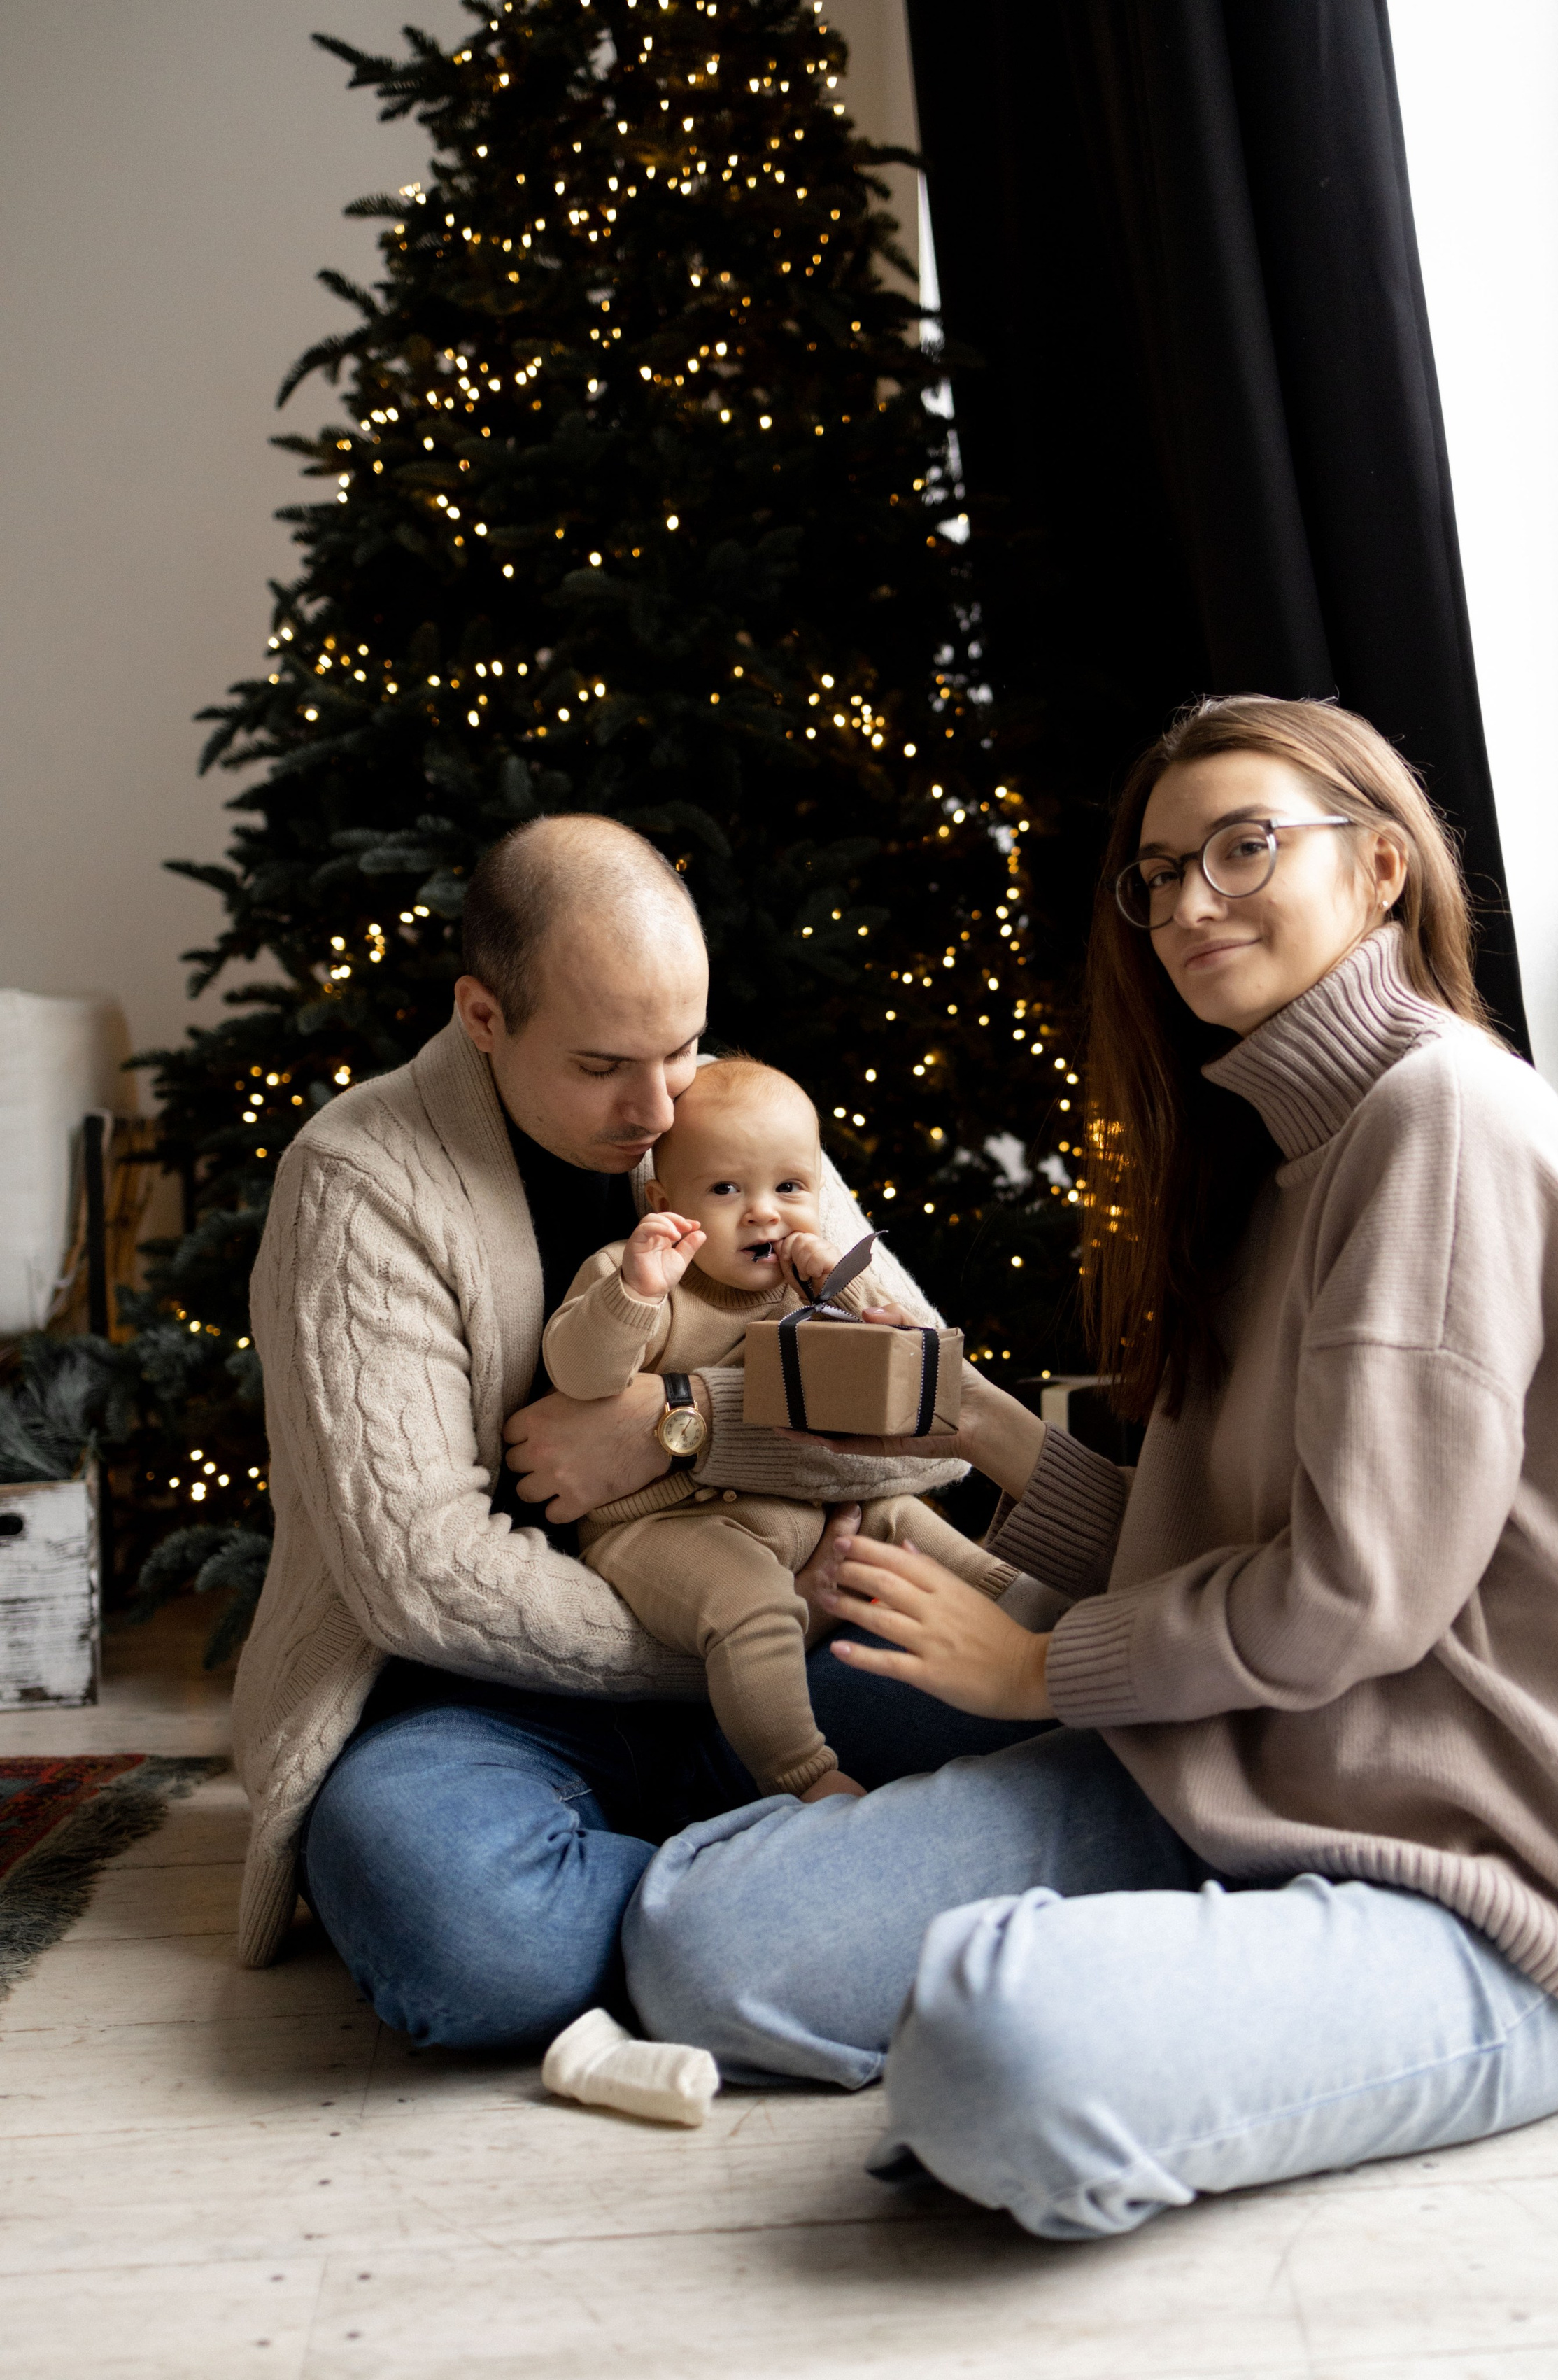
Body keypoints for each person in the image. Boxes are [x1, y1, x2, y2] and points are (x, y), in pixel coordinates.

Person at [621, 695, 1558, 2241]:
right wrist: (980, 1427)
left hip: (1484, 1879)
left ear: (1378, 871)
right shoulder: (1276, 1147)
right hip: (1232, 1766)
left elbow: (1349, 1594)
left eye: (1243, 845)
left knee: (991, 2047)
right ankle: (1172, 1978)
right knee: (706, 1938)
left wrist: (1034, 1670)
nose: (1186, 901)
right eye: (1156, 872)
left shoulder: (1440, 1116)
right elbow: (1213, 1532)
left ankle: (1154, 2004)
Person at [233, 814, 1049, 2043]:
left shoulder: (730, 1125)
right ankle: (805, 1892)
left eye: (683, 1048)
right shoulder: (361, 1182)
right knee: (462, 1931)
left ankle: (729, 1886)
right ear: (484, 1014)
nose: (659, 1106)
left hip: (784, 1641)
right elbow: (421, 1581)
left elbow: (931, 1421)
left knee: (1070, 1706)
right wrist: (743, 1634)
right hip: (478, 1698)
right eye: (606, 1064)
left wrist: (685, 1422)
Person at [542, 1053, 1027, 1804]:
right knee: (750, 1604)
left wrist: (842, 1279)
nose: (765, 1212)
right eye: (727, 1188)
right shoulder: (641, 1272)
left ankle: (1022, 1606)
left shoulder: (809, 1281)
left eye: (790, 1187)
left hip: (802, 1506)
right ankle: (801, 1773)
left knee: (909, 1526)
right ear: (667, 1200)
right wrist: (636, 1291)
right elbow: (579, 1371)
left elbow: (899, 1367)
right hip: (670, 1525)